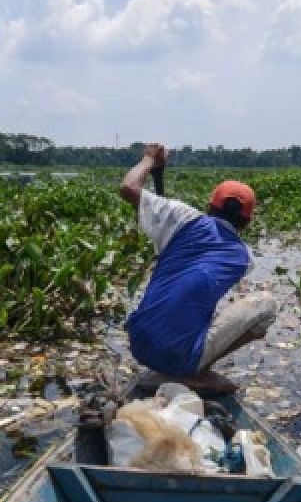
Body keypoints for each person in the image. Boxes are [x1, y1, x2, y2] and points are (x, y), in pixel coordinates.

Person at [118, 143, 277, 380]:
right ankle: (195, 372)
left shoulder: (184, 220)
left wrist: (150, 159)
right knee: (266, 305)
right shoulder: (244, 259)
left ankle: (180, 365)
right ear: (246, 223)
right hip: (178, 357)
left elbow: (129, 188)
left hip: (139, 343)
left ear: (209, 207)